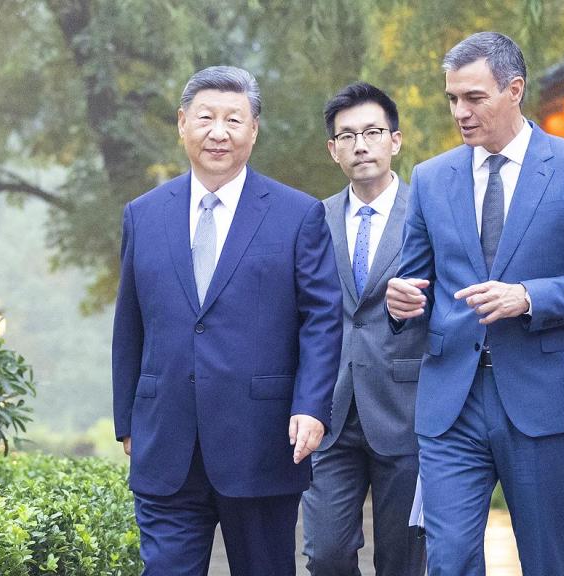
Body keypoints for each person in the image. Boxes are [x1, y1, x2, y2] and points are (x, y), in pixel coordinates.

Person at [386, 32, 564, 575]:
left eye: (474, 98)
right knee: (447, 560)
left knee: (547, 561)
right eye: (452, 99)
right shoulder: (430, 179)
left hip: (542, 402)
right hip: (450, 401)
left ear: (514, 89)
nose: (461, 112)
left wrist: (530, 297)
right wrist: (400, 302)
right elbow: (415, 283)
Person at [112, 65, 343, 576]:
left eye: (233, 120)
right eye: (206, 118)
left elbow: (322, 320)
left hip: (261, 443)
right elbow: (129, 323)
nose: (219, 132)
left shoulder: (297, 215)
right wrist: (127, 418)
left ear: (254, 129)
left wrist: (312, 406)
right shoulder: (143, 214)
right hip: (165, 443)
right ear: (182, 124)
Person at [301, 82, 426, 576]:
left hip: (406, 410)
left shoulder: (428, 212)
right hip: (329, 413)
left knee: (403, 562)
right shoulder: (313, 219)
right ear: (333, 150)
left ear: (394, 140)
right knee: (325, 554)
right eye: (347, 136)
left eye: (372, 132)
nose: (361, 144)